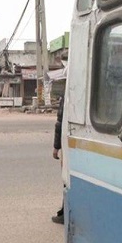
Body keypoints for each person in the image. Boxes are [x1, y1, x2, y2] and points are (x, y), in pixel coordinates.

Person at [51, 96, 65, 224]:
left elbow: (59, 123)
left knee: (66, 180)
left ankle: (65, 213)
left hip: (68, 145)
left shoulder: (66, 96)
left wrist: (56, 147)